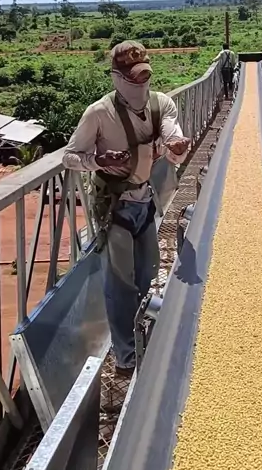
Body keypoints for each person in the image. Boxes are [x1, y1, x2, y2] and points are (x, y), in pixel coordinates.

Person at [63, 41, 190, 377]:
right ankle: (126, 355)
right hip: (114, 206)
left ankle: (140, 328)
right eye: (134, 79)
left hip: (145, 200)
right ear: (117, 78)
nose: (141, 84)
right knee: (121, 284)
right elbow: (70, 156)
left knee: (147, 272)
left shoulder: (161, 105)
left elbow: (172, 136)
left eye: (144, 77)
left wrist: (177, 147)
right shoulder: (98, 114)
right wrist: (97, 160)